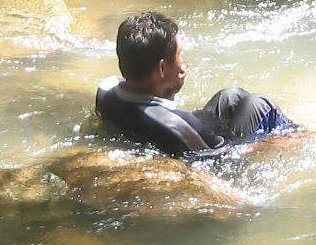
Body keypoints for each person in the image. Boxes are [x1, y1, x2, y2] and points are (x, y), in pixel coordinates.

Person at [95, 12, 295, 157]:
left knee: (230, 95)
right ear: (162, 69)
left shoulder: (105, 90)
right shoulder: (181, 126)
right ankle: (299, 136)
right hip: (207, 148)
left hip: (160, 132)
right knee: (260, 104)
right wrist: (268, 144)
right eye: (179, 55)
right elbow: (225, 158)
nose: (184, 64)